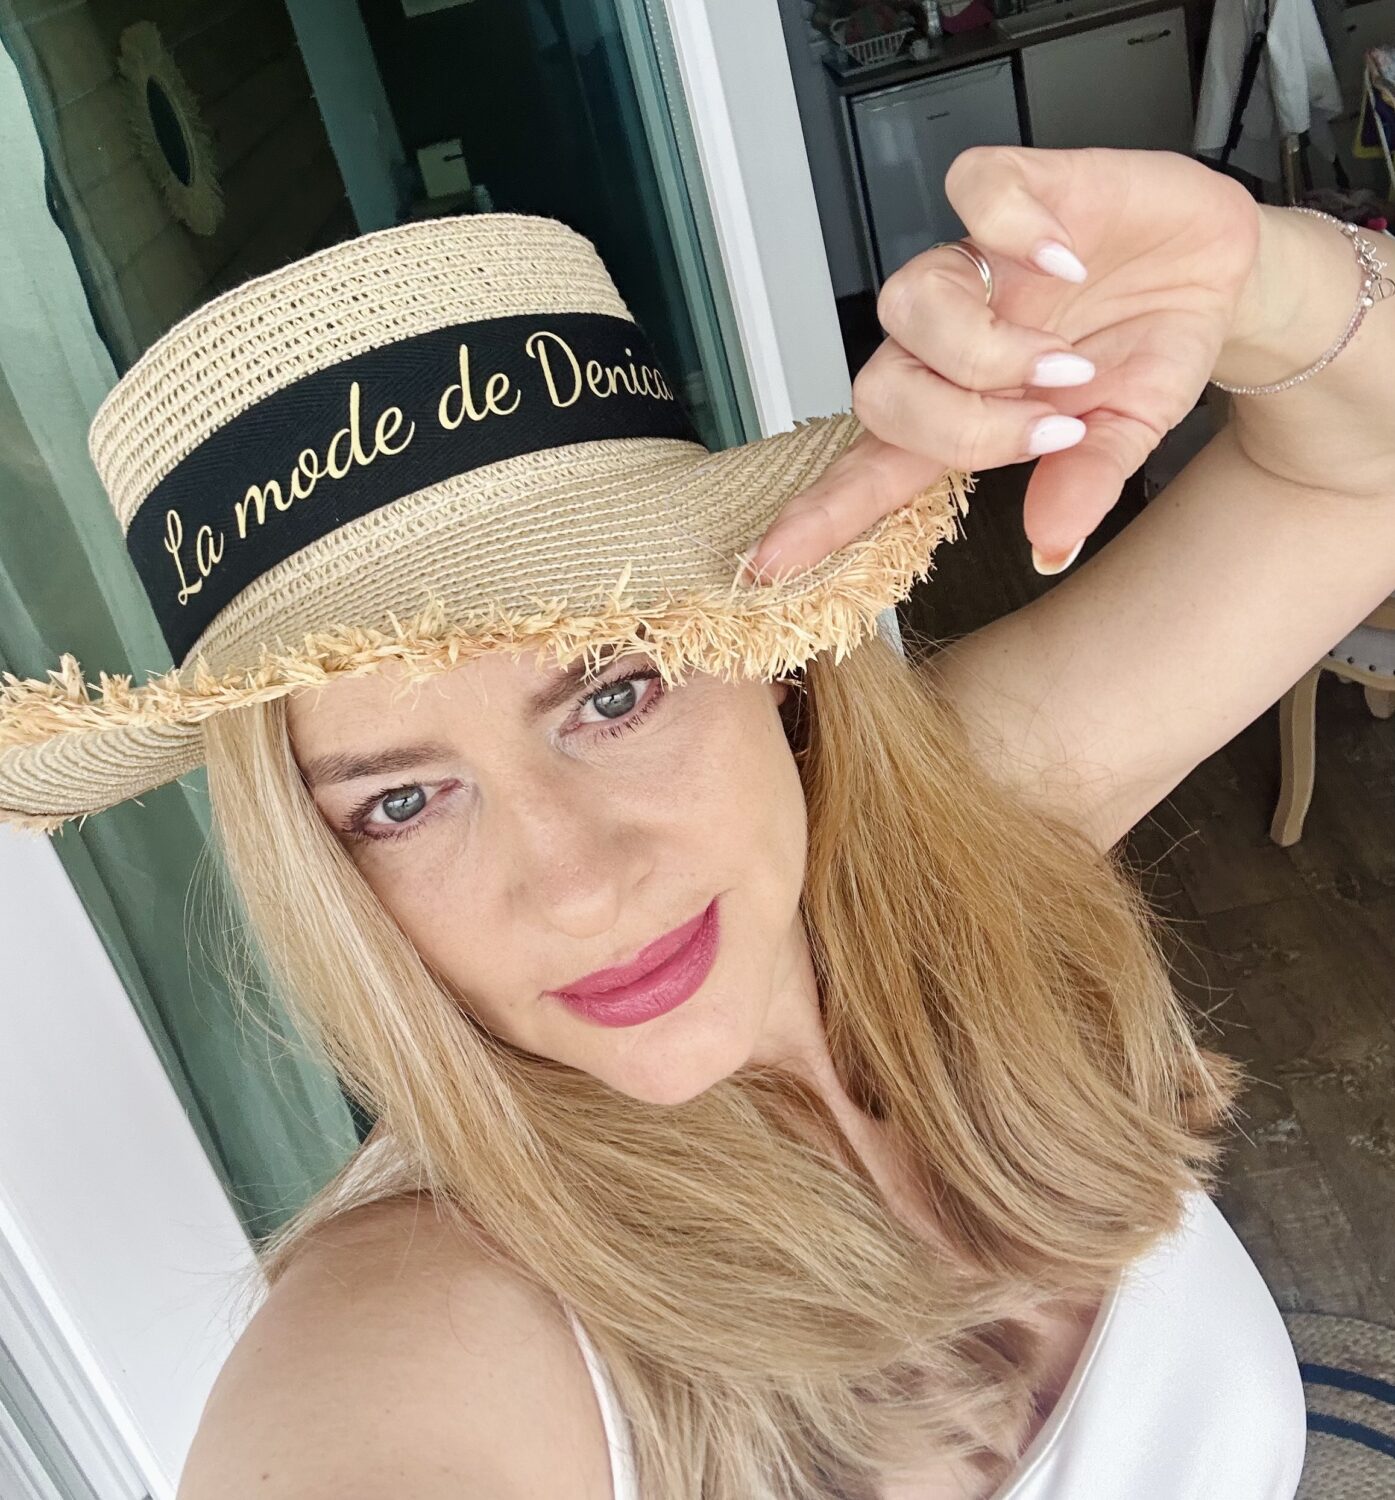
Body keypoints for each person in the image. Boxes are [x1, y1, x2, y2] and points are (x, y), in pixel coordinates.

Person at [1, 145, 1390, 1499]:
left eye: (614, 697)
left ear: (769, 649)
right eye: (401, 801)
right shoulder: (426, 1322)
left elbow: (1358, 471)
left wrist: (1257, 271)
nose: (577, 887)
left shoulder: (955, 846)